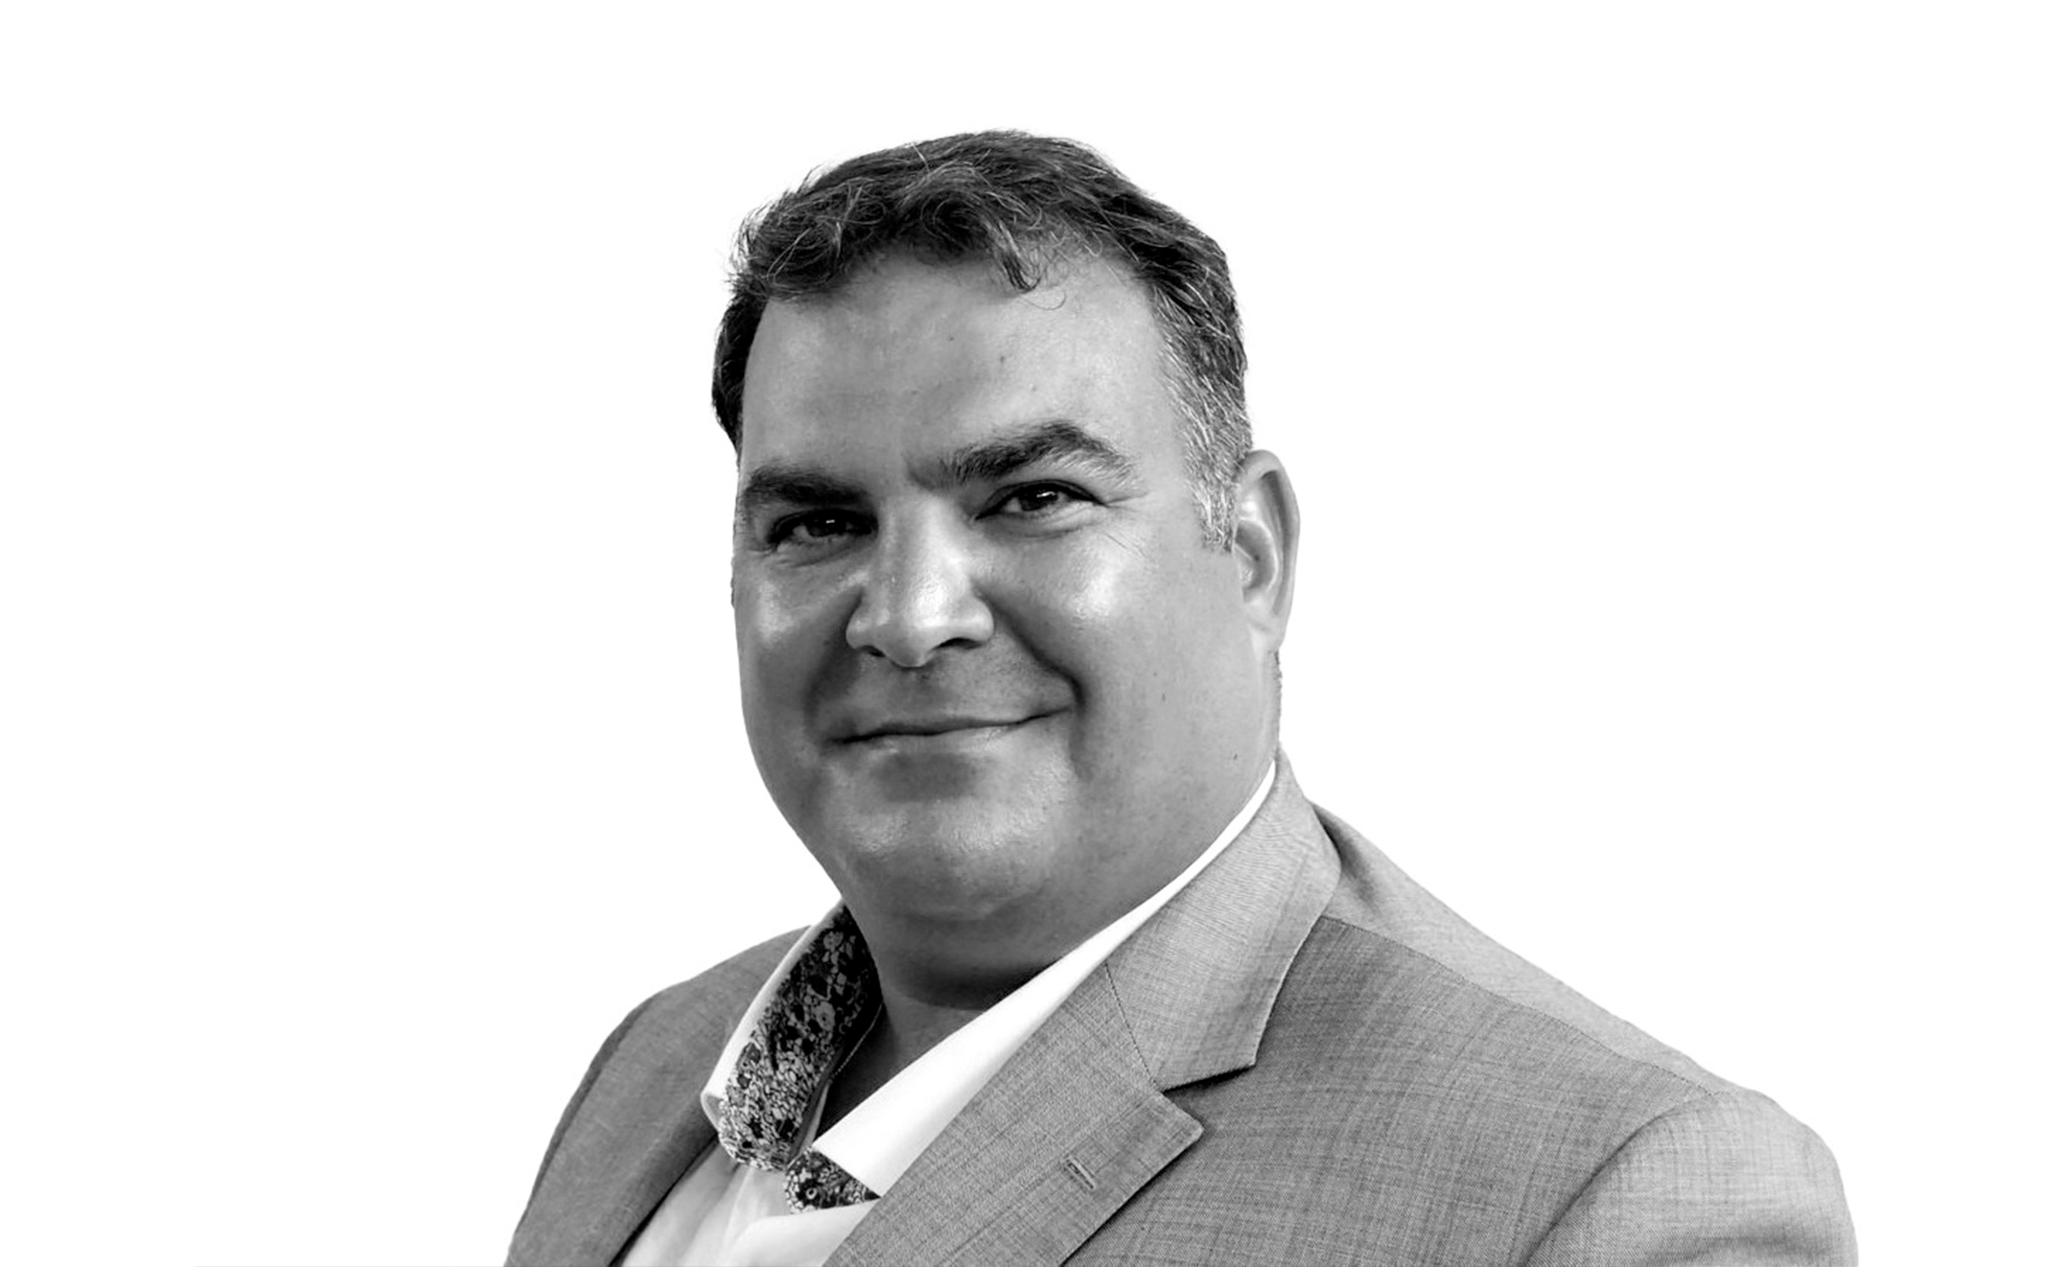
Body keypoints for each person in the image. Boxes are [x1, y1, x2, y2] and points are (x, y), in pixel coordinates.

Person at [507, 131, 1856, 1266]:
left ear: (1251, 555)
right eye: (815, 522)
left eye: (1032, 497)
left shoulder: (1612, 1196)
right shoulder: (656, 1064)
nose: (910, 616)